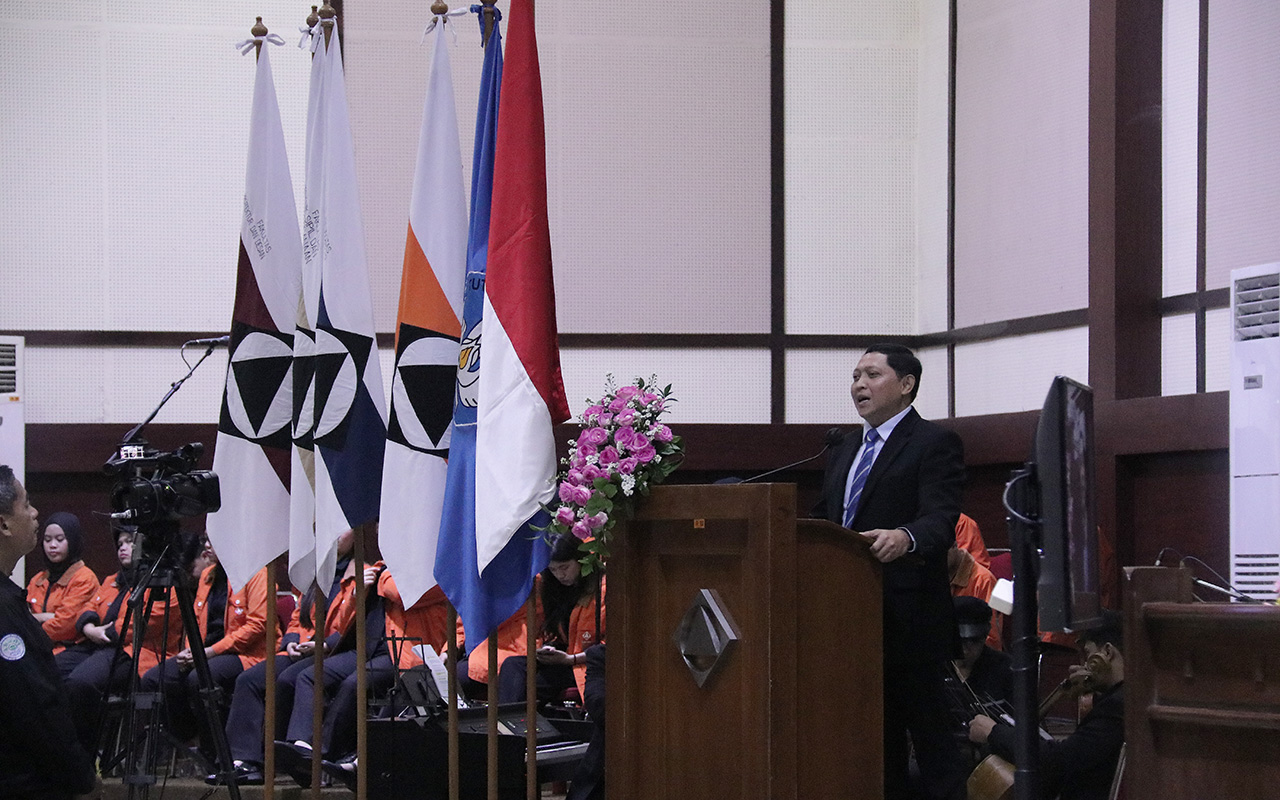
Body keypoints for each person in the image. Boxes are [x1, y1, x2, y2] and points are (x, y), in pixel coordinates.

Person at [812, 343, 968, 800]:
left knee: (933, 743)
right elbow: (827, 519)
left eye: (872, 375)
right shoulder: (845, 448)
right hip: (849, 620)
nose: (859, 385)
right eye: (855, 376)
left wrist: (905, 536)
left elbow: (941, 518)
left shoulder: (933, 442)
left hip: (909, 619)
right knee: (876, 747)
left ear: (906, 384)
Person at [215, 529, 359, 786]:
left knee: (289, 679)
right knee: (249, 680)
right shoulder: (315, 573)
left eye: (343, 527)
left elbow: (354, 624)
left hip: (332, 651)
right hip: (302, 648)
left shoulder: (361, 573)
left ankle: (290, 756)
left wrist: (324, 644)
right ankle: (244, 761)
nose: (336, 534)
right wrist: (291, 641)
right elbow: (297, 617)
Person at [0, 465, 99, 799]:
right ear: (4, 524)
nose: (34, 513)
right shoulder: (7, 607)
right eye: (26, 504)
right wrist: (81, 777)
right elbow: (36, 708)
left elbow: (66, 622)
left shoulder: (81, 577)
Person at [968, 609, 1126, 800]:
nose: (1081, 666)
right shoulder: (1119, 698)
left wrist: (994, 732)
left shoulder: (1116, 706)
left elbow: (1059, 760)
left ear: (1107, 652)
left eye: (1087, 653)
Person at [140, 538, 269, 764]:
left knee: (199, 677)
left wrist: (210, 652)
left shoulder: (257, 573)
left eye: (214, 538)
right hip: (205, 653)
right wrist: (190, 651)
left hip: (245, 654)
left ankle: (214, 751)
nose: (208, 545)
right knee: (153, 679)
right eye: (206, 539)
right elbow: (195, 621)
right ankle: (186, 737)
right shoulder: (208, 575)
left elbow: (258, 625)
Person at [496, 533, 605, 705]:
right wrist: (549, 648)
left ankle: (511, 719)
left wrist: (570, 659)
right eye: (553, 570)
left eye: (564, 567)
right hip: (562, 657)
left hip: (586, 663)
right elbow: (554, 631)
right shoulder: (553, 589)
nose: (560, 575)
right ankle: (507, 720)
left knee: (524, 687)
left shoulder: (601, 590)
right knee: (512, 665)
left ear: (580, 560)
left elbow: (606, 647)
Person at [26, 511, 101, 654]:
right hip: (37, 647)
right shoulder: (38, 579)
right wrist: (45, 617)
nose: (52, 545)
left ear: (72, 542)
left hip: (72, 649)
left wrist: (30, 629)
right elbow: (21, 616)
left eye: (60, 539)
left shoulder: (84, 578)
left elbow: (64, 627)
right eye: (47, 540)